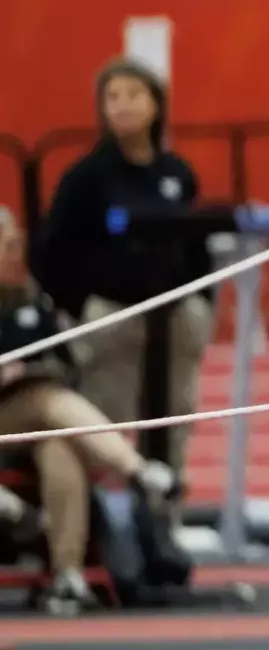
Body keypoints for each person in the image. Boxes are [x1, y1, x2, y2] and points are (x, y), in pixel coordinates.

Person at [32, 58, 216, 479]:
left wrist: (200, 304)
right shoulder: (86, 176)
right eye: (112, 97)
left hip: (174, 317)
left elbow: (197, 246)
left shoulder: (176, 173)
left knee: (174, 420)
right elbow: (51, 250)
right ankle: (115, 533)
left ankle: (165, 525)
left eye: (133, 95)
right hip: (113, 320)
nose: (122, 106)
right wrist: (82, 306)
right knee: (107, 427)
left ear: (156, 105)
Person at [0, 207, 180, 614]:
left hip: (31, 421)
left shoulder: (29, 297)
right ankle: (137, 470)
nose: (16, 253)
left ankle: (67, 575)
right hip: (12, 417)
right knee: (45, 402)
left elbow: (68, 363)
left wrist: (28, 370)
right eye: (7, 245)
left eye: (18, 244)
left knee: (59, 443)